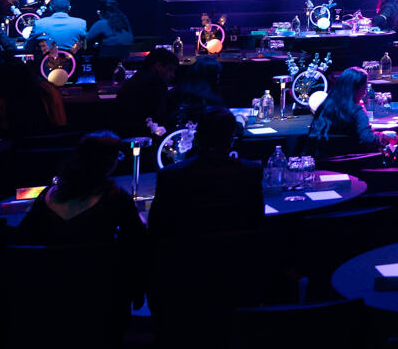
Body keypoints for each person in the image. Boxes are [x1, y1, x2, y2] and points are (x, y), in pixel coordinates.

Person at [15, 131, 148, 304]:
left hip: (48, 292)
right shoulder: (116, 198)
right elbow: (137, 246)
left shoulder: (47, 195)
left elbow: (23, 239)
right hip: (102, 293)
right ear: (110, 162)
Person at [150, 107, 263, 238]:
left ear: (197, 138)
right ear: (232, 139)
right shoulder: (251, 171)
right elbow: (257, 220)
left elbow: (156, 226)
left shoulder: (169, 176)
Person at [0, 55, 67, 139]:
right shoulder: (48, 92)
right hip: (48, 143)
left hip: (15, 145)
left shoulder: (4, 101)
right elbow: (61, 124)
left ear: (4, 84)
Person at [307, 67, 381, 152]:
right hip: (351, 158)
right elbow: (368, 140)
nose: (365, 93)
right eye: (364, 88)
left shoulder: (325, 106)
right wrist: (381, 136)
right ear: (355, 89)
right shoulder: (357, 111)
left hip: (322, 157)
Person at [113, 47, 178, 137]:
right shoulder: (156, 84)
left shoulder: (136, 79)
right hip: (143, 136)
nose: (172, 75)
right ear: (158, 66)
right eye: (170, 69)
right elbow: (160, 119)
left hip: (122, 134)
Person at [85, 4, 135, 81]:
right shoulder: (124, 21)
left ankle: (100, 83)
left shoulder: (102, 23)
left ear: (103, 12)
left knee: (91, 59)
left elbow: (88, 38)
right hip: (124, 52)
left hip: (109, 54)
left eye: (98, 12)